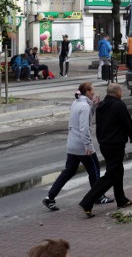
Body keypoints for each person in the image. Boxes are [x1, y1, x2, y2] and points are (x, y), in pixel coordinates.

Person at [42, 83, 113, 211]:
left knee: (68, 171)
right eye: (93, 91)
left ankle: (50, 197)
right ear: (88, 92)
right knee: (94, 170)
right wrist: (88, 146)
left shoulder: (76, 102)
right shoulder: (84, 106)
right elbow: (84, 128)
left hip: (72, 144)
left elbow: (85, 116)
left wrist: (94, 105)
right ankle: (98, 196)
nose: (94, 92)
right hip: (82, 146)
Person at [79, 83, 132, 218]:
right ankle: (87, 201)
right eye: (121, 91)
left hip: (104, 144)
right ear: (117, 92)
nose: (121, 93)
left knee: (118, 170)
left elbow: (98, 126)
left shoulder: (101, 106)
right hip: (116, 144)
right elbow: (127, 123)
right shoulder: (119, 105)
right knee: (111, 175)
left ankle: (121, 199)